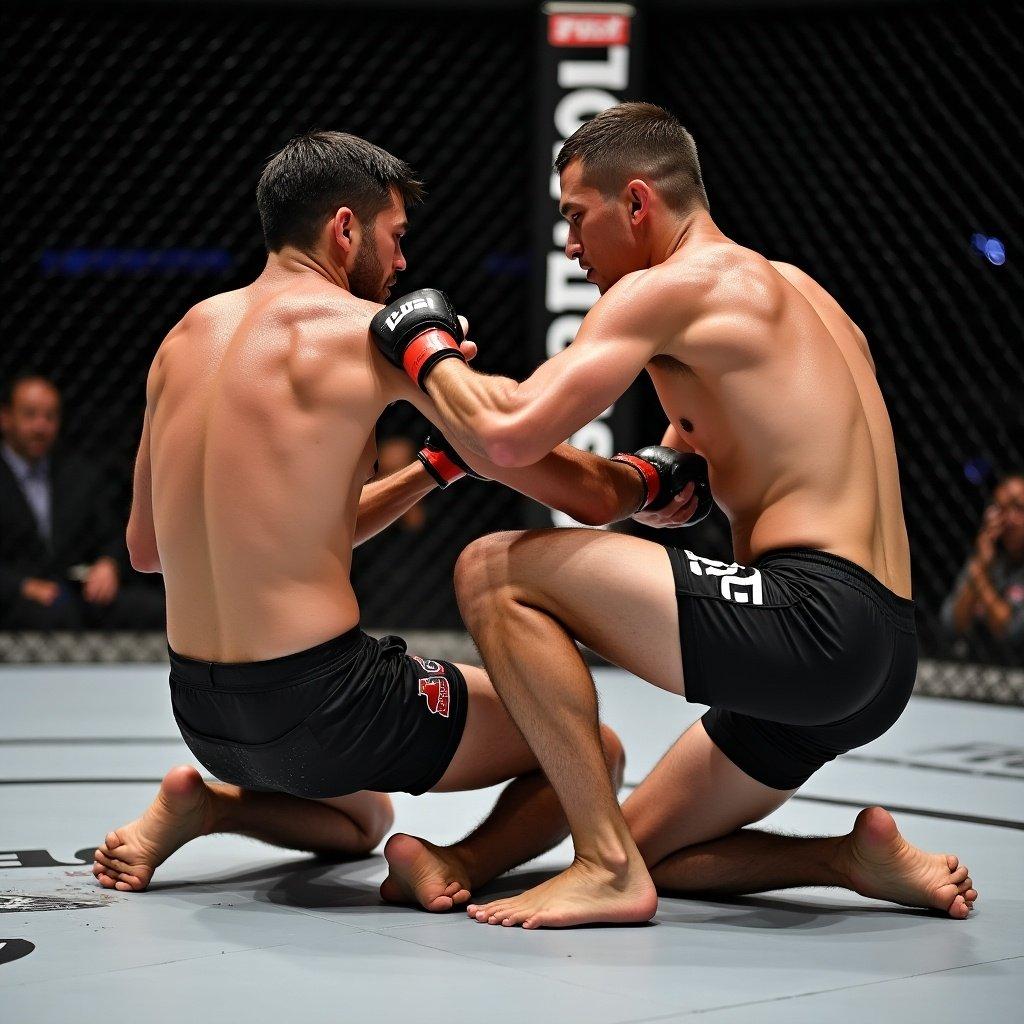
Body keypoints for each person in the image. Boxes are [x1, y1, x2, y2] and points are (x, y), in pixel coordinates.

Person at [370, 103, 977, 927]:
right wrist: (648, 482)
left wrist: (424, 355)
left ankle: (605, 871)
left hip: (813, 618)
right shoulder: (800, 296)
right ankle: (847, 859)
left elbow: (511, 437)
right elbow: (598, 494)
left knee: (494, 569)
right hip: (881, 649)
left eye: (577, 218)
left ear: (638, 204)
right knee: (657, 845)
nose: (571, 246)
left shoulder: (668, 291)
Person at [91, 131, 699, 909]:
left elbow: (148, 550)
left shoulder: (181, 340)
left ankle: (206, 804)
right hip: (331, 705)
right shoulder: (367, 333)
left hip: (203, 714)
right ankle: (456, 860)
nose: (403, 263)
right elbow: (506, 434)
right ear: (345, 229)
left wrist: (433, 467)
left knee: (362, 816)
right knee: (589, 751)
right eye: (396, 236)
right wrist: (648, 479)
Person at [0, 373, 165, 631]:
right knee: (53, 615)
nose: (41, 426)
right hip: (17, 597)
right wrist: (23, 586)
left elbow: (111, 532)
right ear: (6, 418)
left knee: (156, 609)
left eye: (49, 416)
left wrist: (108, 565)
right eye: (30, 415)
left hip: (79, 592)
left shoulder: (76, 474)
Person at [941, 473, 1024, 662]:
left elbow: (1011, 632)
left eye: (1019, 508)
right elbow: (952, 623)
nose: (1009, 519)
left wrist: (980, 578)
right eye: (1002, 509)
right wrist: (981, 565)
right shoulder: (987, 557)